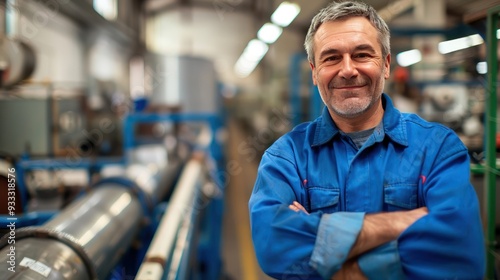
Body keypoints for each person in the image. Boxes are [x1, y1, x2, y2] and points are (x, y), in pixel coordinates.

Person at [248, 1, 486, 279]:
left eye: (362, 54)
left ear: (385, 65)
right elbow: (275, 248)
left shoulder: (437, 149)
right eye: (331, 58)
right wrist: (405, 221)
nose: (348, 70)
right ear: (314, 71)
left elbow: (459, 257)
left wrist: (342, 264)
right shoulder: (286, 157)